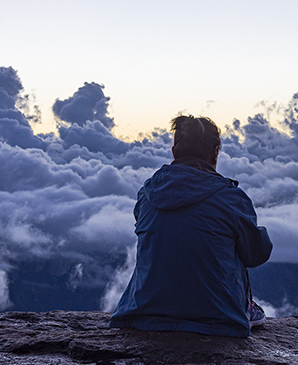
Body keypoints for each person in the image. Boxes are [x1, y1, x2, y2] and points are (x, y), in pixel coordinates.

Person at [109, 115, 273, 337]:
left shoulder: (146, 195)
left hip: (143, 314)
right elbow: (255, 255)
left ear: (175, 151)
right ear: (215, 152)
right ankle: (245, 309)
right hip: (218, 319)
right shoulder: (231, 199)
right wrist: (258, 233)